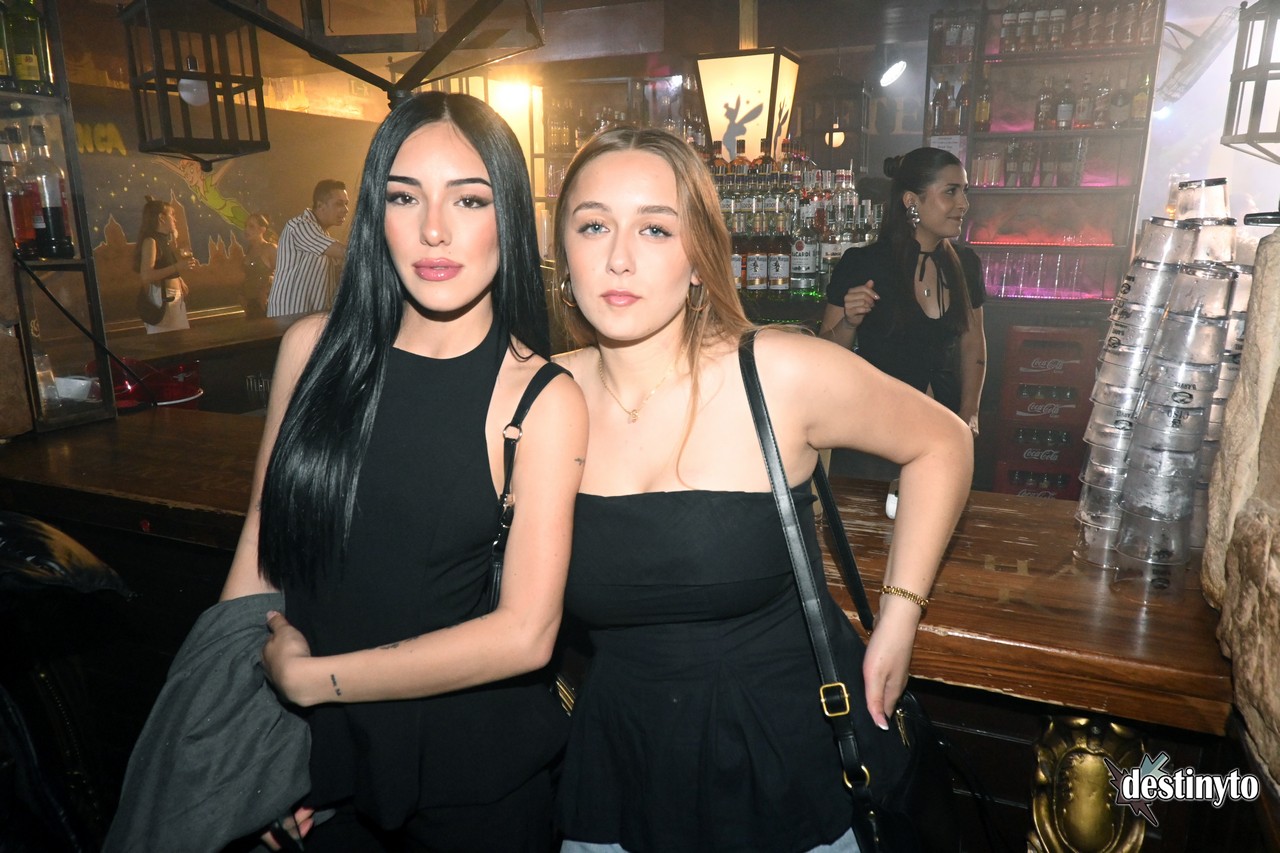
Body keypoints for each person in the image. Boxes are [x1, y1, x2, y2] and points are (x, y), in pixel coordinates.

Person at [551, 128, 973, 851]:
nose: (618, 257)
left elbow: (944, 442)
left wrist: (900, 618)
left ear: (699, 258)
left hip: (783, 758)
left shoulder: (778, 372)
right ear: (565, 255)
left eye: (655, 228)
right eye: (593, 226)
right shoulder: (541, 396)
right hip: (618, 763)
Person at [220, 91, 587, 851]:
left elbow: (526, 634)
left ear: (509, 217)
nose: (434, 230)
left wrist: (313, 682)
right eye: (404, 196)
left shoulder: (540, 397)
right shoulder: (311, 351)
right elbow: (263, 540)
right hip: (317, 773)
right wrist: (250, 742)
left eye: (469, 199)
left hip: (469, 786)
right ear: (373, 214)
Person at [820, 148, 987, 436]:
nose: (964, 203)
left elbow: (973, 343)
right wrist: (848, 323)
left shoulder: (966, 264)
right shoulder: (863, 264)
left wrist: (970, 411)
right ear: (911, 201)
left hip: (944, 424)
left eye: (965, 191)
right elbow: (825, 356)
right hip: (878, 430)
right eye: (951, 191)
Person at [266, 179, 350, 317]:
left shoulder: (322, 233)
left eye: (346, 204)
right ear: (320, 205)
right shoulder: (300, 225)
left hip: (307, 319)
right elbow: (345, 252)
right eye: (339, 204)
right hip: (289, 318)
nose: (346, 210)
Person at [135, 199, 196, 334]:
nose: (175, 219)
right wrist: (178, 267)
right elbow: (146, 275)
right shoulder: (151, 241)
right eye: (172, 215)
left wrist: (179, 279)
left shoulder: (163, 240)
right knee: (169, 340)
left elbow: (164, 265)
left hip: (173, 300)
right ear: (161, 218)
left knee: (181, 338)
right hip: (164, 300)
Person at [241, 212, 277, 319]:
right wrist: (242, 295)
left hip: (266, 302)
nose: (246, 230)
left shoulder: (270, 248)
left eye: (251, 226)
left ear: (262, 229)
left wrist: (266, 290)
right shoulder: (249, 251)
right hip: (250, 303)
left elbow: (283, 273)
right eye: (246, 226)